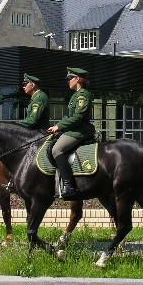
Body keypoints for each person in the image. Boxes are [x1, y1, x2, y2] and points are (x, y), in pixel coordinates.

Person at [47, 67, 93, 200]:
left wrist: (59, 126)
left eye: (69, 78)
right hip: (72, 129)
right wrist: (57, 127)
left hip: (80, 130)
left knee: (57, 149)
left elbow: (78, 117)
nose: (68, 81)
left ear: (77, 79)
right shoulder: (75, 95)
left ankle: (69, 186)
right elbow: (69, 117)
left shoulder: (83, 94)